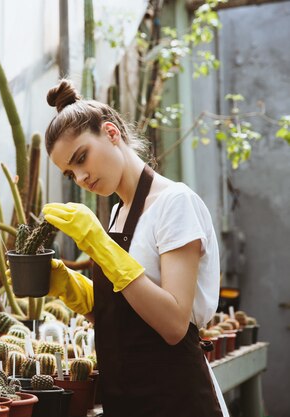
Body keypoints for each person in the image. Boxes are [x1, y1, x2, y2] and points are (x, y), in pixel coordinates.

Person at [41, 80, 229, 416]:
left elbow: (172, 324)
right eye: (70, 174)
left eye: (81, 158)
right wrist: (71, 289)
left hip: (178, 399)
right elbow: (128, 314)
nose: (81, 177)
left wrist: (98, 244)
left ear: (112, 133)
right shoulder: (118, 213)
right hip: (128, 400)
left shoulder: (175, 204)